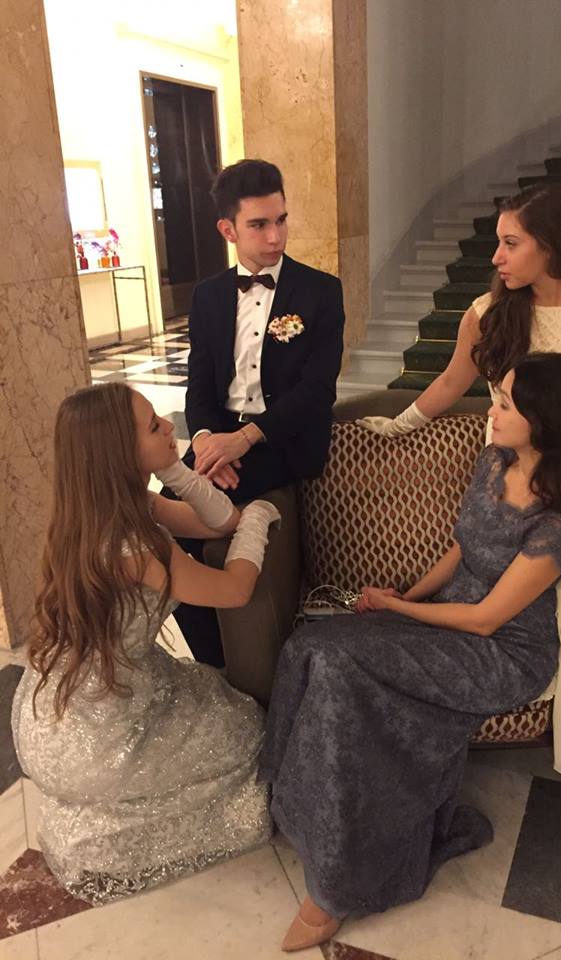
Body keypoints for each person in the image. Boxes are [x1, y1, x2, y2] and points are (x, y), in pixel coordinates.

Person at [258, 353, 561, 951]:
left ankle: (336, 888)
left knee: (345, 677)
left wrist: (397, 611)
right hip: (447, 615)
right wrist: (407, 594)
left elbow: (486, 619)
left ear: (545, 420)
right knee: (311, 645)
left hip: (502, 653)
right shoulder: (493, 460)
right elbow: (461, 547)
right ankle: (290, 805)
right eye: (496, 397)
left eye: (506, 404)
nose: (492, 412)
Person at [12, 382, 281, 904]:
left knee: (221, 709)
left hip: (76, 700)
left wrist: (175, 470)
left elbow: (218, 521)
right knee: (248, 733)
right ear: (119, 451)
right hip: (95, 732)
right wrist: (259, 519)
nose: (169, 427)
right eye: (154, 426)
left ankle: (106, 812)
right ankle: (114, 837)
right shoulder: (132, 546)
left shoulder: (116, 507)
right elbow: (234, 589)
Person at [164, 158, 345, 667]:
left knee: (192, 517)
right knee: (154, 530)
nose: (275, 236)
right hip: (219, 438)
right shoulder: (208, 296)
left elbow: (316, 392)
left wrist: (243, 440)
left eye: (281, 220)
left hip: (281, 440)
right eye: (259, 224)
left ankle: (229, 665)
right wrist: (205, 441)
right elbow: (199, 385)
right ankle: (213, 662)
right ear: (228, 230)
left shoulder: (320, 291)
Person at [359, 182, 561, 482]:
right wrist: (397, 426)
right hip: (507, 465)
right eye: (498, 242)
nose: (496, 257)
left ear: (550, 245)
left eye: (510, 243)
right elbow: (451, 382)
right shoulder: (486, 312)